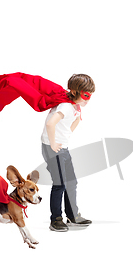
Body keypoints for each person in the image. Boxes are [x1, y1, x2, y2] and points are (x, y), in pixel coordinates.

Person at [41, 74, 95, 232]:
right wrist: (52, 143)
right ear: (75, 92)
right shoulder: (65, 106)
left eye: (90, 95)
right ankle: (56, 219)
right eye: (86, 95)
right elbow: (50, 123)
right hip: (53, 148)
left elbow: (76, 120)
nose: (88, 99)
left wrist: (65, 136)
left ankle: (72, 215)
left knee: (71, 182)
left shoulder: (74, 106)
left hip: (62, 147)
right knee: (59, 184)